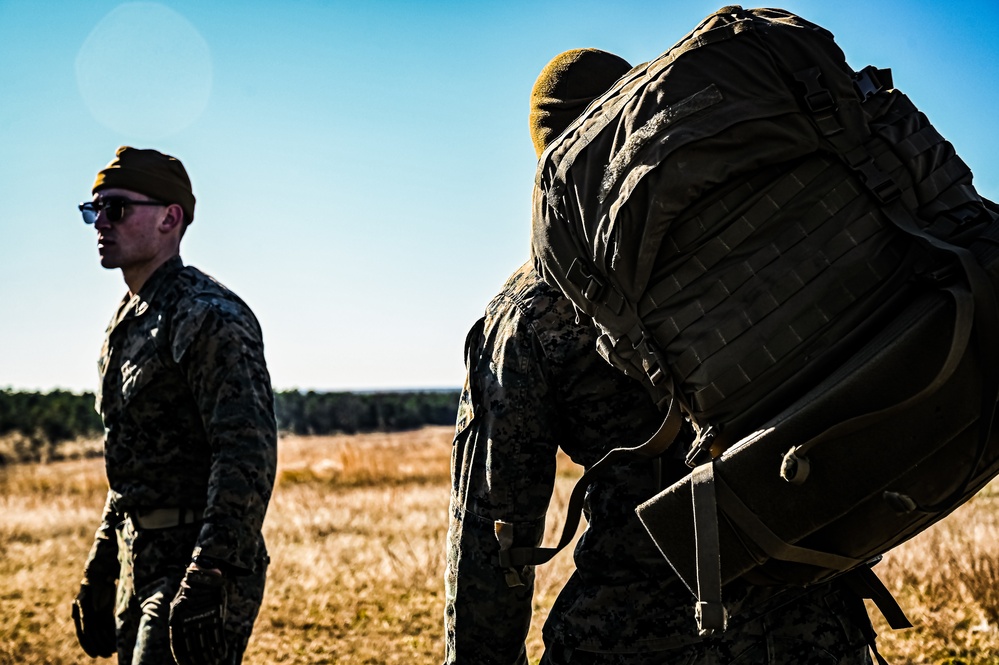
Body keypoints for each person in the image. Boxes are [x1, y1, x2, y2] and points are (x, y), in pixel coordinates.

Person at [444, 49, 879, 665]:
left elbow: (494, 536)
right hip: (815, 625)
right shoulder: (754, 241)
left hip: (639, 639)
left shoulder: (532, 310)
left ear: (549, 162)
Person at [71, 146, 277, 665]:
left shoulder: (209, 316)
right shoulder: (127, 320)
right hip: (138, 557)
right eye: (93, 210)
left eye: (115, 208)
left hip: (195, 564)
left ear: (170, 217)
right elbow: (131, 461)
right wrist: (101, 561)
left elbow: (246, 455)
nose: (101, 222)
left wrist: (211, 573)